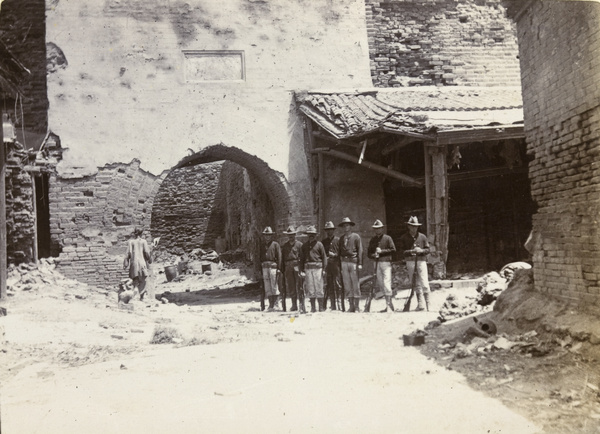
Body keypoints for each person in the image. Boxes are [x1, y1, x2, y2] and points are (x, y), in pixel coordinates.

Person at [399, 216, 431, 311]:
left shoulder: (422, 237)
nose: (414, 228)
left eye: (416, 226)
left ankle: (428, 305)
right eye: (412, 226)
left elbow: (428, 249)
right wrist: (411, 251)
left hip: (421, 261)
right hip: (410, 261)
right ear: (408, 226)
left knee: (424, 282)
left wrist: (421, 250)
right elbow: (401, 251)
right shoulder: (404, 237)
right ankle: (420, 304)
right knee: (415, 283)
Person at [367, 219, 397, 312]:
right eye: (376, 228)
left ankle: (389, 306)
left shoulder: (387, 238)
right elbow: (369, 253)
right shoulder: (373, 240)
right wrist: (374, 255)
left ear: (382, 229)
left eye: (379, 228)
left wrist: (382, 252)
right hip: (376, 263)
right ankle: (388, 305)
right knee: (381, 284)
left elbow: (393, 249)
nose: (377, 230)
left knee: (387, 283)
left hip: (386, 263)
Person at [337, 217, 363, 312]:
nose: (345, 227)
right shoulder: (341, 239)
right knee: (347, 285)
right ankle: (351, 305)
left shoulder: (356, 237)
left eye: (347, 225)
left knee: (355, 284)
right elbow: (340, 252)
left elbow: (360, 250)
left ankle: (357, 306)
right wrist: (340, 265)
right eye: (344, 226)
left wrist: (360, 263)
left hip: (353, 262)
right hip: (344, 262)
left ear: (350, 226)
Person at [299, 225, 327, 312]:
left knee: (319, 287)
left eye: (313, 234)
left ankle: (321, 307)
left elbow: (324, 257)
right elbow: (301, 259)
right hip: (308, 268)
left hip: (318, 268)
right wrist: (301, 270)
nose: (311, 236)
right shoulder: (304, 246)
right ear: (307, 235)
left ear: (315, 235)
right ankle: (313, 307)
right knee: (310, 288)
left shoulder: (319, 244)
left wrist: (324, 269)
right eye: (309, 234)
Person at [123, 227, 152, 301]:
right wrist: (149, 259)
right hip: (142, 263)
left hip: (134, 263)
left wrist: (126, 264)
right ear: (141, 233)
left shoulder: (131, 242)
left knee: (134, 279)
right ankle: (142, 296)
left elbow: (128, 254)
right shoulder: (143, 241)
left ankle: (134, 294)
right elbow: (146, 252)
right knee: (143, 279)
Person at [281, 225, 303, 312]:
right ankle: (294, 305)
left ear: (295, 235)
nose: (291, 236)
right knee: (291, 286)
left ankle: (301, 304)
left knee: (299, 285)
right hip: (288, 267)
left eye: (292, 234)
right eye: (289, 235)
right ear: (287, 236)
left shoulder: (300, 245)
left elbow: (303, 257)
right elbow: (282, 259)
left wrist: (302, 269)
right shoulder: (285, 246)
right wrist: (282, 270)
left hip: (297, 265)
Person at [260, 226, 282, 311]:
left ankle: (276, 303)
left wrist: (279, 268)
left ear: (271, 236)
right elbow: (259, 256)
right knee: (267, 286)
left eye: (269, 235)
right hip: (265, 267)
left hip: (273, 267)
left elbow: (279, 257)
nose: (267, 237)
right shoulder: (262, 245)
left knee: (274, 284)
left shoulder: (275, 244)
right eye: (266, 235)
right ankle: (270, 304)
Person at [322, 221, 341, 311]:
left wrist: (335, 255)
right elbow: (322, 254)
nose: (329, 232)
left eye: (331, 230)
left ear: (333, 231)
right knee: (329, 285)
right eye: (327, 230)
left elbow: (341, 253)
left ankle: (340, 304)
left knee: (338, 284)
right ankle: (332, 305)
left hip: (336, 264)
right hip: (327, 265)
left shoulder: (338, 240)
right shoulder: (323, 242)